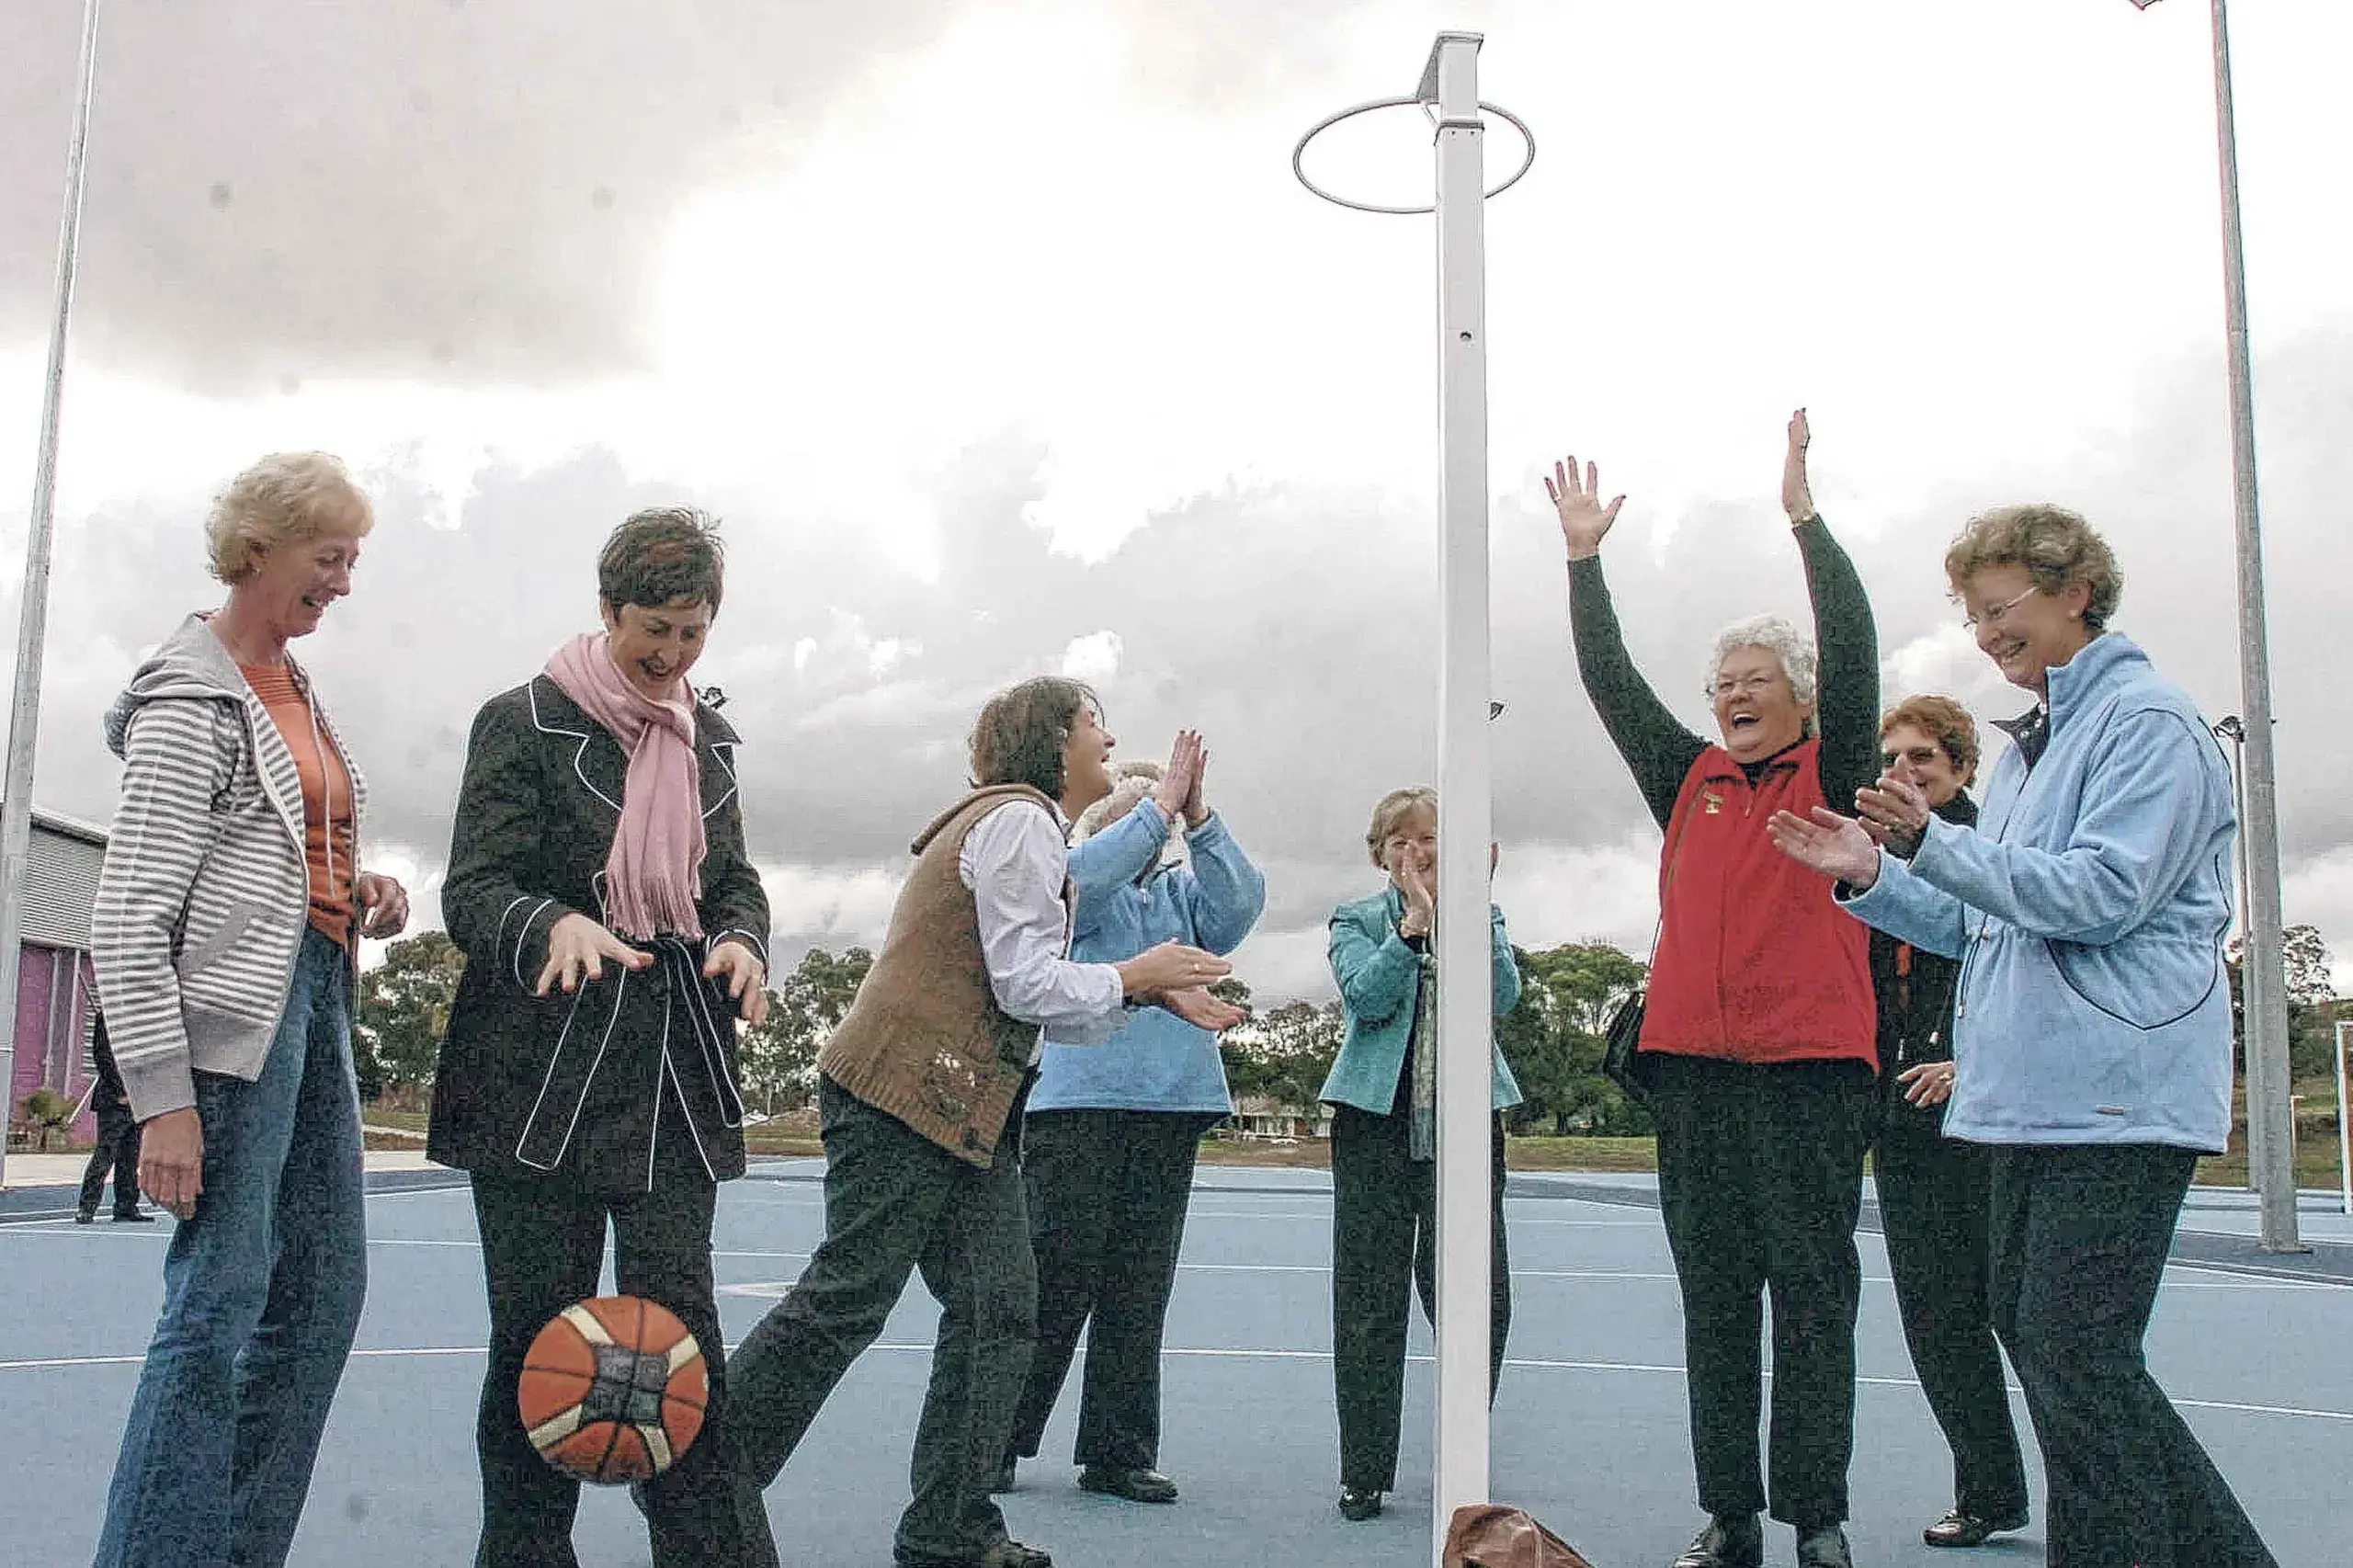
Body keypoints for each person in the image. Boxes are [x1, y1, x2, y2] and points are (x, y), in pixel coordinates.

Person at [1768, 504, 2279, 1568]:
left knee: (2074, 1349)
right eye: (1973, 616)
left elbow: (2100, 894)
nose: (1986, 633)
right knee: (2057, 1345)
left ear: (2074, 592)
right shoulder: (2033, 749)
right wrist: (1871, 873)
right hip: (2032, 1094)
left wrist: (1934, 844)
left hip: (2114, 1090)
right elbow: (1981, 916)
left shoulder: (2146, 725)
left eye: (2001, 608)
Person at [727, 676, 1245, 1568]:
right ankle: (706, 1485)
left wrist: (1152, 991)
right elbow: (1024, 980)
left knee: (1002, 1308)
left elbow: (1045, 1000)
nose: (1109, 739)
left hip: (960, 1107)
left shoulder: (1027, 827)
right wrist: (1135, 970)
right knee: (847, 1299)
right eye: (1094, 726)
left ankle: (949, 1529)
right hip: (901, 1095)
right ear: (1051, 741)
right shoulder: (1014, 820)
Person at [1545, 414, 1877, 1568]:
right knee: (1717, 1302)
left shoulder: (1839, 769)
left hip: (1811, 1079)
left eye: (1754, 680)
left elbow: (1852, 638)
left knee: (1813, 1300)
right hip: (1694, 1079)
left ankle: (1816, 1516)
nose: (1732, 693)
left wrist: (1805, 520)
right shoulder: (1685, 775)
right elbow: (1607, 681)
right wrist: (1584, 560)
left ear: (1799, 695)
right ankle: (1729, 1511)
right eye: (1720, 681)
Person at [426, 507, 772, 1568]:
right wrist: (554, 922)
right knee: (539, 1339)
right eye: (652, 630)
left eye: (691, 633)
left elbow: (734, 884)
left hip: (671, 1070)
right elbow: (473, 888)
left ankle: (714, 1555)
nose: (671, 656)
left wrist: (743, 941)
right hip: (538, 1075)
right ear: (608, 609)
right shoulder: (522, 720)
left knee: (685, 1341)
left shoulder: (708, 738)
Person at [88, 452, 410, 1568]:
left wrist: (350, 884)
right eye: (330, 559)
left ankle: (231, 1551)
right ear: (257, 550)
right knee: (217, 1303)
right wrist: (162, 1101)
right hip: (235, 1034)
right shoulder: (192, 699)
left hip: (317, 1003)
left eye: (352, 561)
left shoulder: (292, 685)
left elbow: (271, 852)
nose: (345, 584)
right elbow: (127, 919)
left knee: (322, 1296)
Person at [1000, 735, 1267, 1504]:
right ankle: (999, 1443)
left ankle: (1117, 1450)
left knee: (1138, 1290)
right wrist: (1151, 812)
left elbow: (1241, 904)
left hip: (1171, 1108)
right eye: (1149, 825)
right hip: (1075, 1109)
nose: (1159, 838)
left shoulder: (1182, 898)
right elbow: (1085, 876)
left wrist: (1202, 818)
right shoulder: (1078, 882)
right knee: (1053, 1285)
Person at [1319, 785, 1522, 1524]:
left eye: (1432, 837)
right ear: (1381, 856)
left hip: (1465, 1123)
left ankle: (1462, 1450)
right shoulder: (1356, 918)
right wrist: (1411, 930)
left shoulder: (1482, 914)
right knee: (1369, 1302)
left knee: (1480, 1295)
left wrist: (1476, 911)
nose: (1420, 852)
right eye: (1402, 841)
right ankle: (1365, 1469)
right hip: (1375, 1123)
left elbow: (1503, 994)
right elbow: (1367, 1001)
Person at [1865, 696, 2029, 1550]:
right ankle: (1988, 1488)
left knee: (2021, 1313)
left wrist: (1974, 1063)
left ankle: (2087, 1485)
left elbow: (2022, 959)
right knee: (1935, 1316)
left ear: (1963, 768)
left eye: (1923, 757)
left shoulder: (1993, 844)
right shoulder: (1866, 857)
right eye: (1892, 758)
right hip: (1902, 1122)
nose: (1905, 771)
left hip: (1994, 1119)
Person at [76, 1011, 153, 1224]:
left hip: (137, 1100)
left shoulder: (146, 1019)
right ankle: (87, 1207)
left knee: (130, 1157)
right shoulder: (107, 1016)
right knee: (105, 1154)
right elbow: (103, 1056)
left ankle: (126, 1207)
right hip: (113, 1100)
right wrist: (121, 1091)